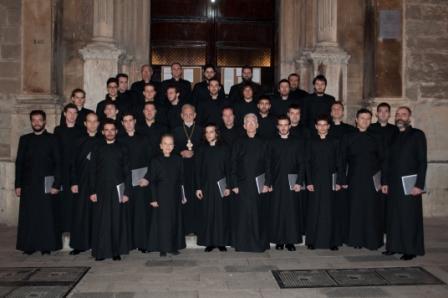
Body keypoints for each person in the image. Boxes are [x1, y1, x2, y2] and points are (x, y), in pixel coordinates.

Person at [382, 106, 427, 260]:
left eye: (404, 114)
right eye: (398, 114)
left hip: (409, 183)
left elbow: (422, 161)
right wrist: (385, 182)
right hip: (393, 183)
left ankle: (410, 249)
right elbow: (387, 161)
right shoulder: (393, 136)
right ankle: (393, 246)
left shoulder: (417, 135)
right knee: (393, 216)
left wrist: (419, 185)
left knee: (409, 217)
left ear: (409, 117)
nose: (400, 117)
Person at [15, 110, 62, 255]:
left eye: (39, 120)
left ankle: (46, 246)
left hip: (46, 184)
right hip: (28, 184)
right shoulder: (24, 139)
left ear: (44, 122)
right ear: (31, 122)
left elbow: (59, 163)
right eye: (34, 120)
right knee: (29, 216)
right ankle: (29, 246)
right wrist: (18, 185)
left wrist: (56, 184)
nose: (37, 123)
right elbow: (20, 163)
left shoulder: (53, 139)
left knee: (46, 215)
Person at [340, 108, 386, 250]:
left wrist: (383, 182)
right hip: (354, 179)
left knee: (372, 210)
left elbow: (384, 160)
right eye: (362, 118)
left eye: (367, 118)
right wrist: (343, 180)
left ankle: (372, 240)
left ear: (370, 120)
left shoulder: (377, 137)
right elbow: (341, 160)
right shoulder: (348, 137)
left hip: (372, 180)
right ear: (356, 120)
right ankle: (356, 240)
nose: (365, 121)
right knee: (355, 210)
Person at [89, 119, 132, 261]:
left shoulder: (123, 148)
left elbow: (127, 172)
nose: (109, 132)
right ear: (102, 132)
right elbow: (92, 171)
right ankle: (101, 252)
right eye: (106, 130)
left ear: (116, 132)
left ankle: (116, 251)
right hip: (100, 190)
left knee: (116, 220)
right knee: (101, 221)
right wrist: (92, 191)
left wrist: (126, 193)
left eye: (112, 130)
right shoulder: (96, 148)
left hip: (118, 189)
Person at [231, 113, 270, 252]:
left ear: (258, 125)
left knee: (258, 214)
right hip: (242, 185)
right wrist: (234, 184)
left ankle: (258, 244)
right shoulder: (238, 142)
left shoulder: (264, 142)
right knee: (243, 215)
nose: (251, 124)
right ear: (244, 126)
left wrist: (267, 183)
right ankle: (242, 244)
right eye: (248, 122)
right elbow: (233, 165)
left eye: (253, 122)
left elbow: (268, 165)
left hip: (259, 185)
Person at [305, 115, 343, 250]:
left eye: (324, 124)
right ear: (316, 127)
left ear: (328, 126)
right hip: (315, 181)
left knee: (330, 210)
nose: (322, 127)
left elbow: (340, 163)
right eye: (319, 124)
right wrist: (308, 181)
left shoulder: (335, 142)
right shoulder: (310, 142)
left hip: (330, 180)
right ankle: (312, 241)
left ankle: (332, 242)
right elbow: (307, 163)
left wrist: (339, 181)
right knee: (314, 210)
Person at [268, 115, 305, 251]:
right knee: (277, 211)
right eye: (281, 125)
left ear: (290, 126)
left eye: (286, 125)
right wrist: (269, 182)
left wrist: (299, 182)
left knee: (291, 212)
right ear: (277, 127)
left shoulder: (297, 142)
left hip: (292, 183)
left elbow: (302, 164)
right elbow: (268, 164)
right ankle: (279, 240)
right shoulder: (271, 142)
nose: (283, 128)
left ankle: (290, 241)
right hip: (277, 182)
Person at [147, 134, 186, 256]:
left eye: (170, 144)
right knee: (163, 222)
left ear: (173, 146)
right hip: (161, 195)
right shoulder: (155, 160)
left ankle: (173, 247)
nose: (167, 146)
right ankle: (163, 248)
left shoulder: (178, 159)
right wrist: (153, 198)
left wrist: (183, 196)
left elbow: (181, 180)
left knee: (174, 221)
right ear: (161, 146)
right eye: (165, 144)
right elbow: (152, 181)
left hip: (174, 195)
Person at [119, 112, 153, 253]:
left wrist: (147, 177)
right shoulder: (119, 140)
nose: (128, 123)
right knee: (126, 213)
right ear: (122, 123)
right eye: (125, 121)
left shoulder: (144, 139)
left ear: (135, 121)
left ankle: (142, 243)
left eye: (130, 120)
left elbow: (151, 160)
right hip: (124, 181)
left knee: (141, 213)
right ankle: (128, 243)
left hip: (141, 181)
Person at [195, 124, 231, 252]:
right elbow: (197, 169)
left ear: (216, 133)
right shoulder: (201, 149)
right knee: (208, 213)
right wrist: (198, 187)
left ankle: (221, 242)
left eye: (212, 132)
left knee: (221, 214)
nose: (209, 134)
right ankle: (209, 242)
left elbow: (229, 168)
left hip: (221, 185)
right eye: (207, 132)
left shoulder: (225, 148)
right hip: (206, 186)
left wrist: (228, 186)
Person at [69, 111, 101, 255]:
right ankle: (80, 245)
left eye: (95, 121)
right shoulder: (78, 140)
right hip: (81, 182)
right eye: (90, 121)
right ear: (85, 123)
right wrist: (74, 182)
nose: (92, 124)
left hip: (99, 183)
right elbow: (73, 163)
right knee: (81, 214)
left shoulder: (103, 140)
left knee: (97, 214)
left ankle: (97, 243)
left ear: (98, 124)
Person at [172, 104, 203, 235]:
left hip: (197, 169)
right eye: (186, 114)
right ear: (181, 115)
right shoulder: (176, 131)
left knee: (197, 198)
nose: (188, 116)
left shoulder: (201, 131)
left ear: (195, 115)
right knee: (183, 198)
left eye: (191, 114)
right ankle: (184, 228)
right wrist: (180, 152)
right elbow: (170, 148)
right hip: (182, 168)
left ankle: (197, 228)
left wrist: (194, 152)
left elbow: (205, 148)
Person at [328, 101, 356, 243]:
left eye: (339, 109)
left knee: (345, 206)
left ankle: (345, 234)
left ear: (343, 112)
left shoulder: (351, 130)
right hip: (328, 173)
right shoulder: (325, 129)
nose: (337, 111)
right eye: (334, 109)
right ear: (331, 112)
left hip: (345, 173)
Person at [54, 104, 83, 234]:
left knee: (75, 199)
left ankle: (74, 227)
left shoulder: (81, 130)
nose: (72, 115)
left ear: (77, 115)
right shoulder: (58, 130)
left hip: (77, 169)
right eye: (69, 112)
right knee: (62, 199)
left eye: (74, 113)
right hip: (62, 168)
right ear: (64, 114)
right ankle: (62, 227)